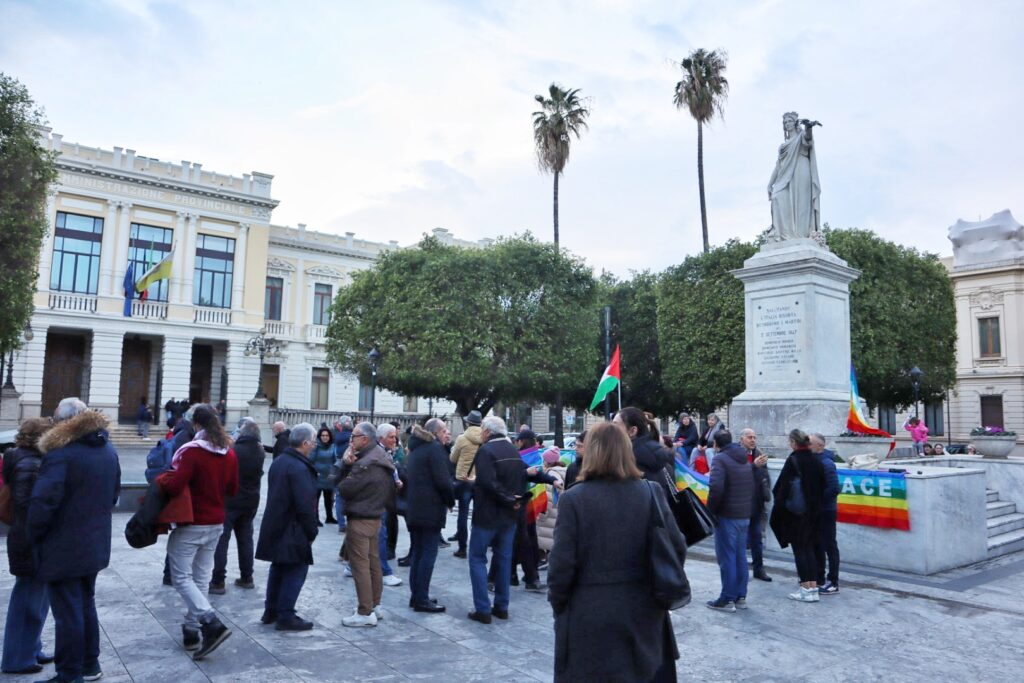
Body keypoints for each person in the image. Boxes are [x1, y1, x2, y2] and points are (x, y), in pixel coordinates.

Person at [548, 422, 684, 683]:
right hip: (644, 609)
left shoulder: (574, 499)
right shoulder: (650, 492)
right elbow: (676, 548)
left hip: (590, 613)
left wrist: (560, 606)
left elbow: (561, 567)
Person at [27, 398, 120, 683]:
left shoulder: (61, 455)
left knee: (68, 612)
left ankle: (69, 673)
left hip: (63, 545)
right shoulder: (108, 450)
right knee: (85, 604)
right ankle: (90, 664)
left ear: (65, 422)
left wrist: (34, 535)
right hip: (94, 543)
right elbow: (114, 495)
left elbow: (43, 503)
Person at [158, 404, 239, 658]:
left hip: (192, 520)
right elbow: (233, 489)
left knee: (181, 576)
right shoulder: (228, 452)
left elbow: (175, 484)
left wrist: (162, 479)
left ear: (195, 425)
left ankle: (210, 622)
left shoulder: (192, 452)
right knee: (201, 577)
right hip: (216, 521)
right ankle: (192, 630)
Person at [469, 417, 555, 624]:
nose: (481, 433)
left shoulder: (486, 451)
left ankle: (482, 609)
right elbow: (527, 473)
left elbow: (487, 483)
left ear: (487, 432)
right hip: (510, 515)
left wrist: (507, 498)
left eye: (482, 429)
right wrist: (551, 479)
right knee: (504, 558)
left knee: (478, 558)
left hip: (488, 515)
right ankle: (501, 606)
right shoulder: (512, 451)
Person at [255, 422, 319, 631]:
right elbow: (305, 504)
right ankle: (286, 614)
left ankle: (271, 610)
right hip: (293, 527)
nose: (315, 445)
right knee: (295, 568)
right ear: (305, 442)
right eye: (313, 441)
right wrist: (311, 530)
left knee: (279, 567)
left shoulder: (281, 460)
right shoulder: (299, 467)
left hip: (277, 523)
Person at [2, 418, 53, 675]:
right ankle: (16, 658)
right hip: (29, 538)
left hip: (26, 536)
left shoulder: (26, 459)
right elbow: (26, 504)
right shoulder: (30, 463)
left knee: (37, 597)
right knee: (28, 599)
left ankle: (32, 648)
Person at [337, 422, 396, 627]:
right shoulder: (382, 457)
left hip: (361, 517)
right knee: (373, 563)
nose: (350, 440)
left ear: (364, 438)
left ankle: (365, 611)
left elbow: (344, 488)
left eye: (353, 436)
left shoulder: (365, 463)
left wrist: (346, 465)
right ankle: (375, 605)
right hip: (376, 515)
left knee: (361, 566)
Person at [405, 419, 456, 612]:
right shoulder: (434, 449)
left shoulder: (417, 448)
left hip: (415, 508)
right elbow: (443, 482)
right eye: (444, 430)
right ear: (435, 433)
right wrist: (451, 500)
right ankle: (421, 599)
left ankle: (417, 595)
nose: (447, 434)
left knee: (418, 552)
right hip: (430, 509)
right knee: (427, 553)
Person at [770, 429, 826, 603]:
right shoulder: (816, 460)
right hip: (814, 512)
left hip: (796, 513)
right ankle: (813, 588)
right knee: (809, 549)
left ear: (794, 442)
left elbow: (780, 488)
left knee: (800, 550)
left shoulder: (793, 460)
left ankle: (805, 588)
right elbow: (824, 485)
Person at [210, 419, 265, 594]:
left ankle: (218, 580)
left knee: (222, 540)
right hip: (250, 501)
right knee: (245, 540)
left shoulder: (233, 451)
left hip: (230, 501)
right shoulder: (260, 452)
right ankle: (247, 576)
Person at [705, 431, 755, 612]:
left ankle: (727, 598)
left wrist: (710, 511)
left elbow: (716, 487)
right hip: (743, 514)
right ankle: (740, 596)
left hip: (727, 515)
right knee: (740, 556)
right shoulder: (743, 458)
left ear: (716, 444)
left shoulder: (720, 460)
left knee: (727, 558)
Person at [767, 111, 821, 241]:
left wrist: (808, 128)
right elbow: (778, 165)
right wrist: (770, 184)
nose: (787, 124)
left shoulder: (801, 136)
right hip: (784, 175)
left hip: (801, 170)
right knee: (776, 197)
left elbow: (808, 140)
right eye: (785, 122)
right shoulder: (783, 146)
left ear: (795, 123)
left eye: (789, 121)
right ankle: (783, 234)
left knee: (801, 203)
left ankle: (801, 236)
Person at [810, 433, 841, 595]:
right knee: (817, 544)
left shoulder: (827, 463)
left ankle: (833, 581)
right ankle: (819, 576)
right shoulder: (814, 461)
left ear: (820, 446)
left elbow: (834, 488)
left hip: (826, 510)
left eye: (811, 443)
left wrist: (818, 501)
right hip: (816, 510)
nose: (808, 446)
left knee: (829, 545)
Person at [450, 410, 483, 559]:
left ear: (468, 423)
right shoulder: (485, 438)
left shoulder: (462, 438)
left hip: (464, 480)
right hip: (480, 481)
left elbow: (453, 458)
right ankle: (479, 545)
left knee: (463, 514)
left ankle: (462, 548)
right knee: (479, 514)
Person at [740, 428, 773, 582]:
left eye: (754, 437)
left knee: (757, 538)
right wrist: (753, 466)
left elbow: (764, 475)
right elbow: (737, 474)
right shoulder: (736, 454)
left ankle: (759, 568)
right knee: (740, 539)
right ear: (741, 439)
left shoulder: (758, 454)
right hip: (741, 502)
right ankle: (740, 570)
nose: (753, 440)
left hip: (757, 501)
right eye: (749, 437)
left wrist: (766, 490)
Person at [613, 408, 675, 486]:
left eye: (615, 425)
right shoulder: (661, 456)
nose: (611, 430)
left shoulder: (628, 462)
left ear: (632, 431)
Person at [536, 446, 567, 559]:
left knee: (547, 540)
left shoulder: (551, 475)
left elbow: (548, 498)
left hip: (550, 515)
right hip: (557, 512)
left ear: (547, 462)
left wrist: (541, 515)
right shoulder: (563, 471)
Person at [310, 426, 338, 526]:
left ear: (330, 436)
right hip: (318, 476)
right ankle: (315, 518)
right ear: (319, 436)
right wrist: (314, 471)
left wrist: (334, 472)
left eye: (326, 435)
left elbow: (336, 460)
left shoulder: (333, 446)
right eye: (323, 435)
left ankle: (329, 517)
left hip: (329, 476)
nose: (325, 437)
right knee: (315, 499)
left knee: (329, 498)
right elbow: (310, 460)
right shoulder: (316, 446)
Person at [332, 416, 354, 531]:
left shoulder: (337, 438)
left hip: (339, 469)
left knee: (339, 496)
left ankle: (341, 524)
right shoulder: (353, 439)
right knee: (352, 497)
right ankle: (351, 522)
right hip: (351, 469)